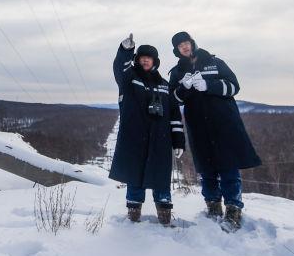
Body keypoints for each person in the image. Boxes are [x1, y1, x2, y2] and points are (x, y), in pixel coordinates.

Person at [168, 31, 261, 231]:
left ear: (191, 43)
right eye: (179, 45)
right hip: (198, 126)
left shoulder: (215, 62)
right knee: (207, 168)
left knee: (228, 166)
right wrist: (184, 88)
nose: (184, 47)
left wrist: (208, 86)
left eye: (186, 43)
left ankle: (233, 209)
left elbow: (234, 86)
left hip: (224, 123)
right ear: (176, 50)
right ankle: (212, 207)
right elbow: (173, 100)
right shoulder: (177, 72)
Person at [110, 33, 186, 225]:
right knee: (135, 176)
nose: (145, 60)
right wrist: (125, 50)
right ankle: (133, 216)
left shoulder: (164, 85)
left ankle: (165, 216)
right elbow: (120, 68)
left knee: (161, 179)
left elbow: (175, 115)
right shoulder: (130, 80)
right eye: (142, 57)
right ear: (137, 60)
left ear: (155, 62)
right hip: (134, 139)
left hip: (160, 141)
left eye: (149, 57)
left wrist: (178, 141)